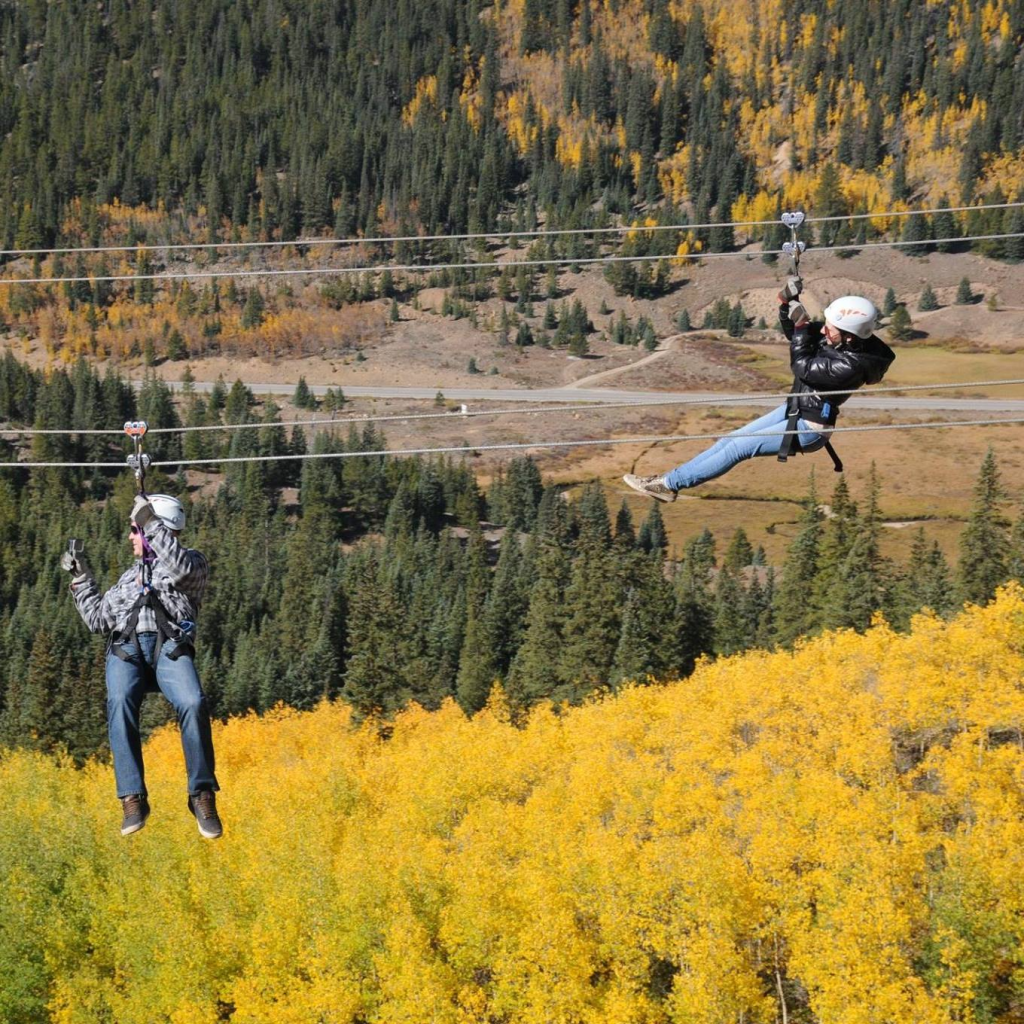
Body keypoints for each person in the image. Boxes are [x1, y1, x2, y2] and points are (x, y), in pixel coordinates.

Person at [623, 279, 895, 500]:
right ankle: (667, 480)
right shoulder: (843, 341)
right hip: (795, 410)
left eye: (830, 329)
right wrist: (787, 305)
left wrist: (802, 327)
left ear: (849, 335)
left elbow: (802, 366)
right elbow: (797, 336)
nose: (823, 331)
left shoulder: (852, 365)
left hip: (809, 428)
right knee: (729, 440)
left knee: (737, 449)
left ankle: (669, 485)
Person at [62, 493, 222, 839]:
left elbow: (180, 568)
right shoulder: (127, 579)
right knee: (119, 702)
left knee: (193, 702)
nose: (130, 536)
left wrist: (147, 520)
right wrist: (81, 578)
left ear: (157, 528)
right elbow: (99, 620)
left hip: (170, 647)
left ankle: (201, 794)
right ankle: (132, 797)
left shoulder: (193, 563)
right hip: (127, 650)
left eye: (135, 530)